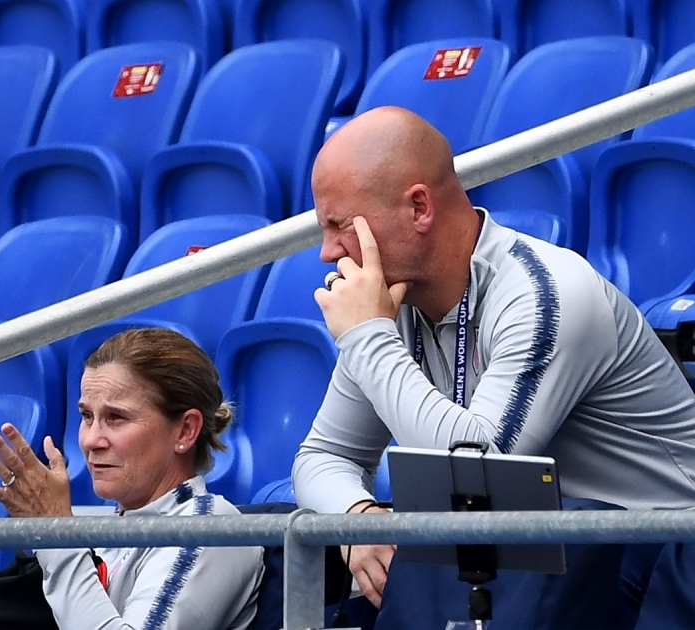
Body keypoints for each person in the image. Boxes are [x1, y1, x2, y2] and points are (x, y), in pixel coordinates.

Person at [292, 105, 695, 610]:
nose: (328, 253)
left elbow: (476, 475)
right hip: (534, 558)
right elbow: (321, 456)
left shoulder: (546, 291)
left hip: (661, 557)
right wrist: (356, 516)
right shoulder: (386, 307)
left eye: (340, 225)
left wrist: (369, 337)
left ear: (419, 207)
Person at [0, 327, 264, 629]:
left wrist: (54, 534)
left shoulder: (212, 530)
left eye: (116, 418)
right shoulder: (97, 528)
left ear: (185, 430)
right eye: (86, 416)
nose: (91, 440)